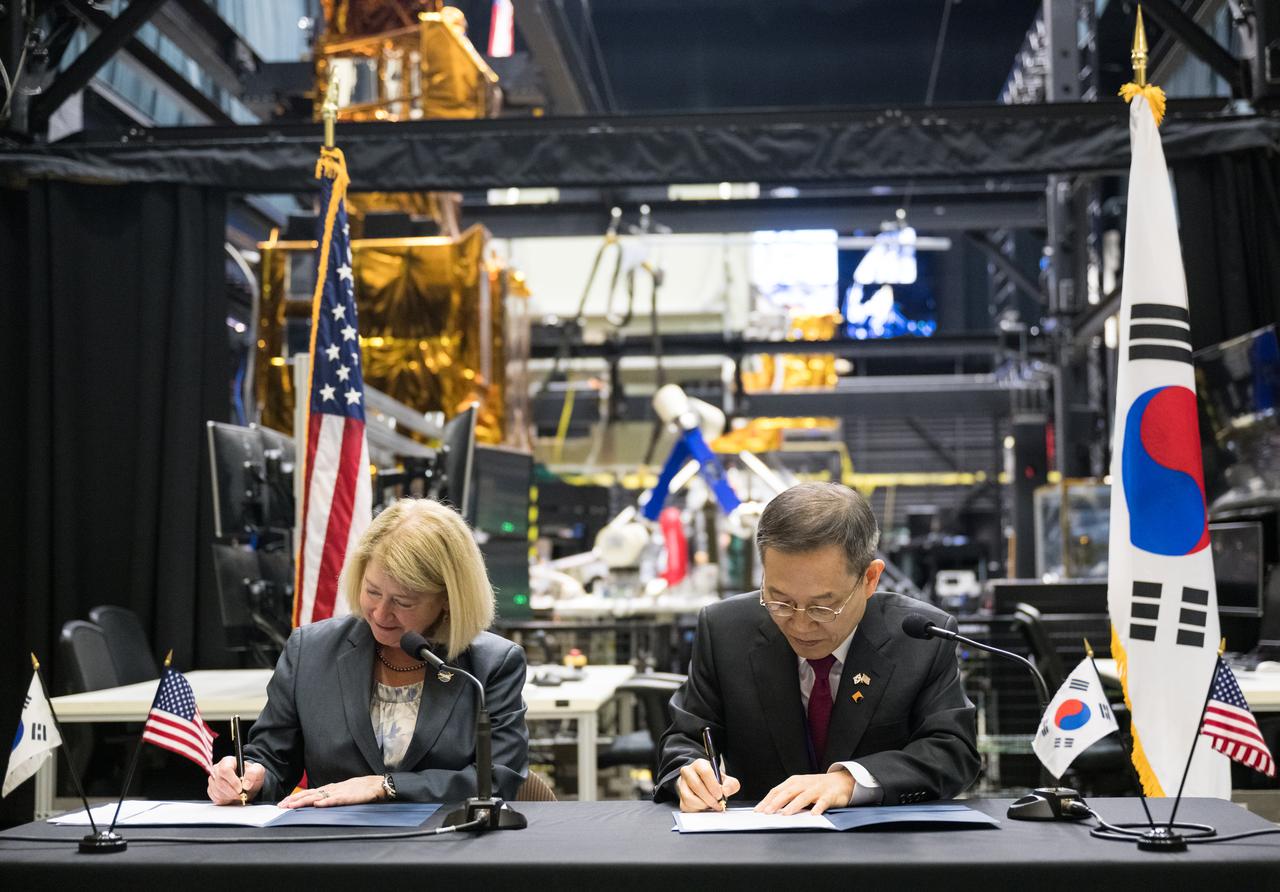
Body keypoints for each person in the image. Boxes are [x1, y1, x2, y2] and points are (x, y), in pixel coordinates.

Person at [655, 482, 979, 814]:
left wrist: (850, 781)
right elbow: (686, 737)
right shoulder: (726, 629)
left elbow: (952, 752)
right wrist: (690, 773)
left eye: (823, 608)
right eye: (780, 601)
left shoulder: (920, 637)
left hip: (883, 851)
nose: (800, 624)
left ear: (870, 579)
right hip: (757, 848)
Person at [207, 498, 528, 807]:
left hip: (445, 846)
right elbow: (272, 758)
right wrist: (250, 775)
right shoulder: (310, 650)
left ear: (447, 599)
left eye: (403, 602)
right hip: (336, 849)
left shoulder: (490, 666)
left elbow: (499, 780)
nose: (380, 613)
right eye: (372, 591)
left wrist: (385, 785)